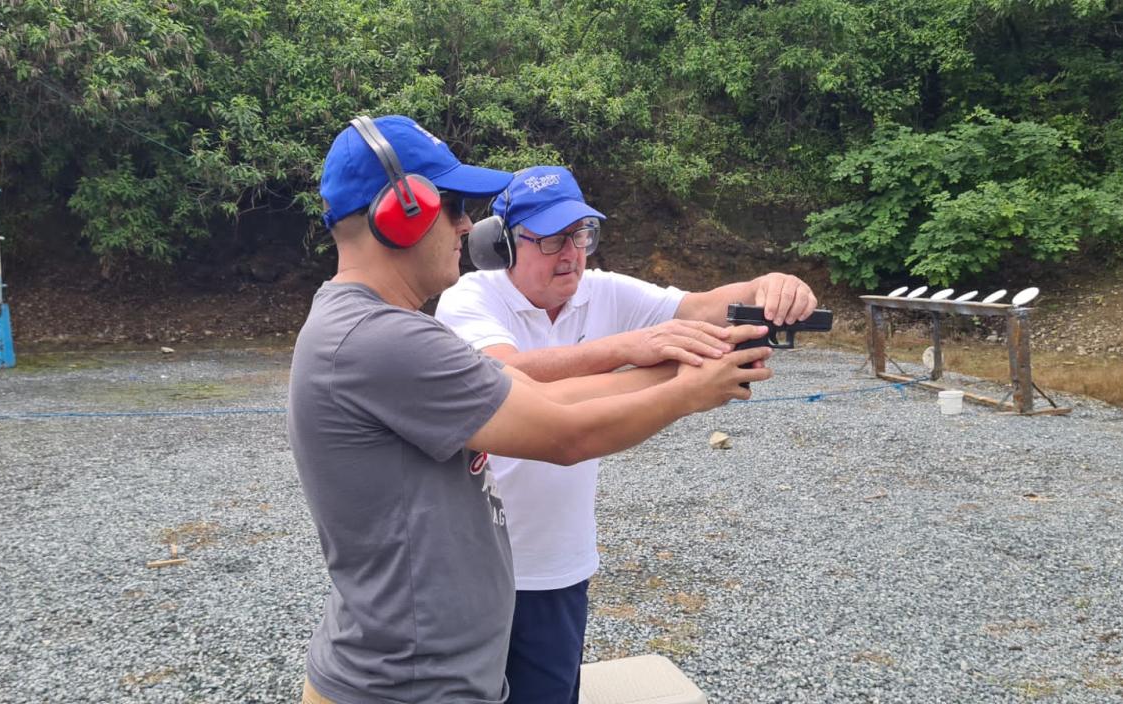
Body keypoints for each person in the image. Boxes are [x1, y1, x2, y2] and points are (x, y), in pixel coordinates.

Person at [287, 118, 776, 704]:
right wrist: (691, 392)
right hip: (405, 687)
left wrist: (685, 366)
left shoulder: (378, 329)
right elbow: (564, 434)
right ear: (403, 211)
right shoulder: (382, 340)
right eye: (454, 206)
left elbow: (540, 397)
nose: (468, 225)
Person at [434, 165, 819, 704]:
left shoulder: (601, 290)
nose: (569, 252)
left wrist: (770, 287)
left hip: (557, 561)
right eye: (548, 239)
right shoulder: (470, 298)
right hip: (472, 565)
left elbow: (702, 305)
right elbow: (506, 376)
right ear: (501, 245)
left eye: (580, 234)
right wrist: (626, 349)